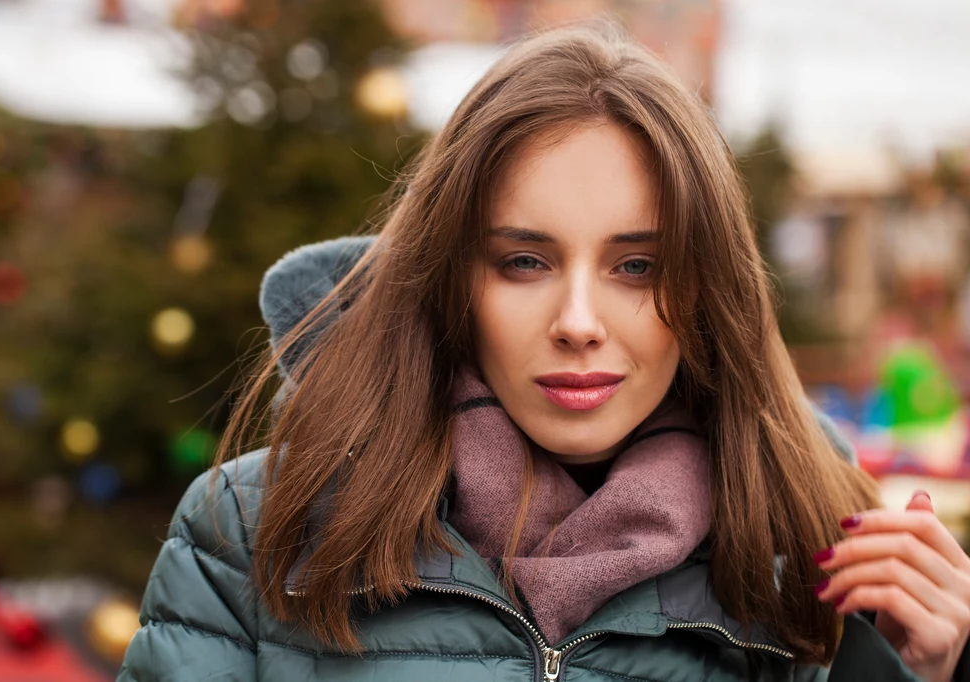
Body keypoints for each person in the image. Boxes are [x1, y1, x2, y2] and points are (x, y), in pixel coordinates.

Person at [117, 20, 970, 682]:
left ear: (708, 291)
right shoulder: (254, 528)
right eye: (524, 261)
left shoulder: (795, 563)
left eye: (637, 266)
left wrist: (905, 670)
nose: (578, 319)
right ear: (452, 278)